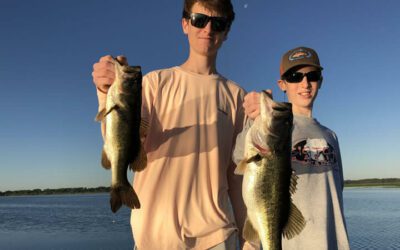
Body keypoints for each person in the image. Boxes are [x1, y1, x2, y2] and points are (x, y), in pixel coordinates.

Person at [92, 0, 257, 249]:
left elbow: (238, 180)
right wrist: (105, 91)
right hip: (153, 236)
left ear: (226, 32)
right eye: (199, 20)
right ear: (184, 24)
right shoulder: (153, 83)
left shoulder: (236, 97)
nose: (208, 29)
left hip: (218, 237)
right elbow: (117, 138)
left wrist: (250, 242)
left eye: (218, 23)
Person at [233, 46, 350, 249]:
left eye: (312, 75)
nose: (305, 83)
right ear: (282, 84)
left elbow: (337, 190)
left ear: (320, 81)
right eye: (295, 76)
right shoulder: (273, 125)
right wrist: (255, 118)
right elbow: (238, 157)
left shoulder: (331, 136)